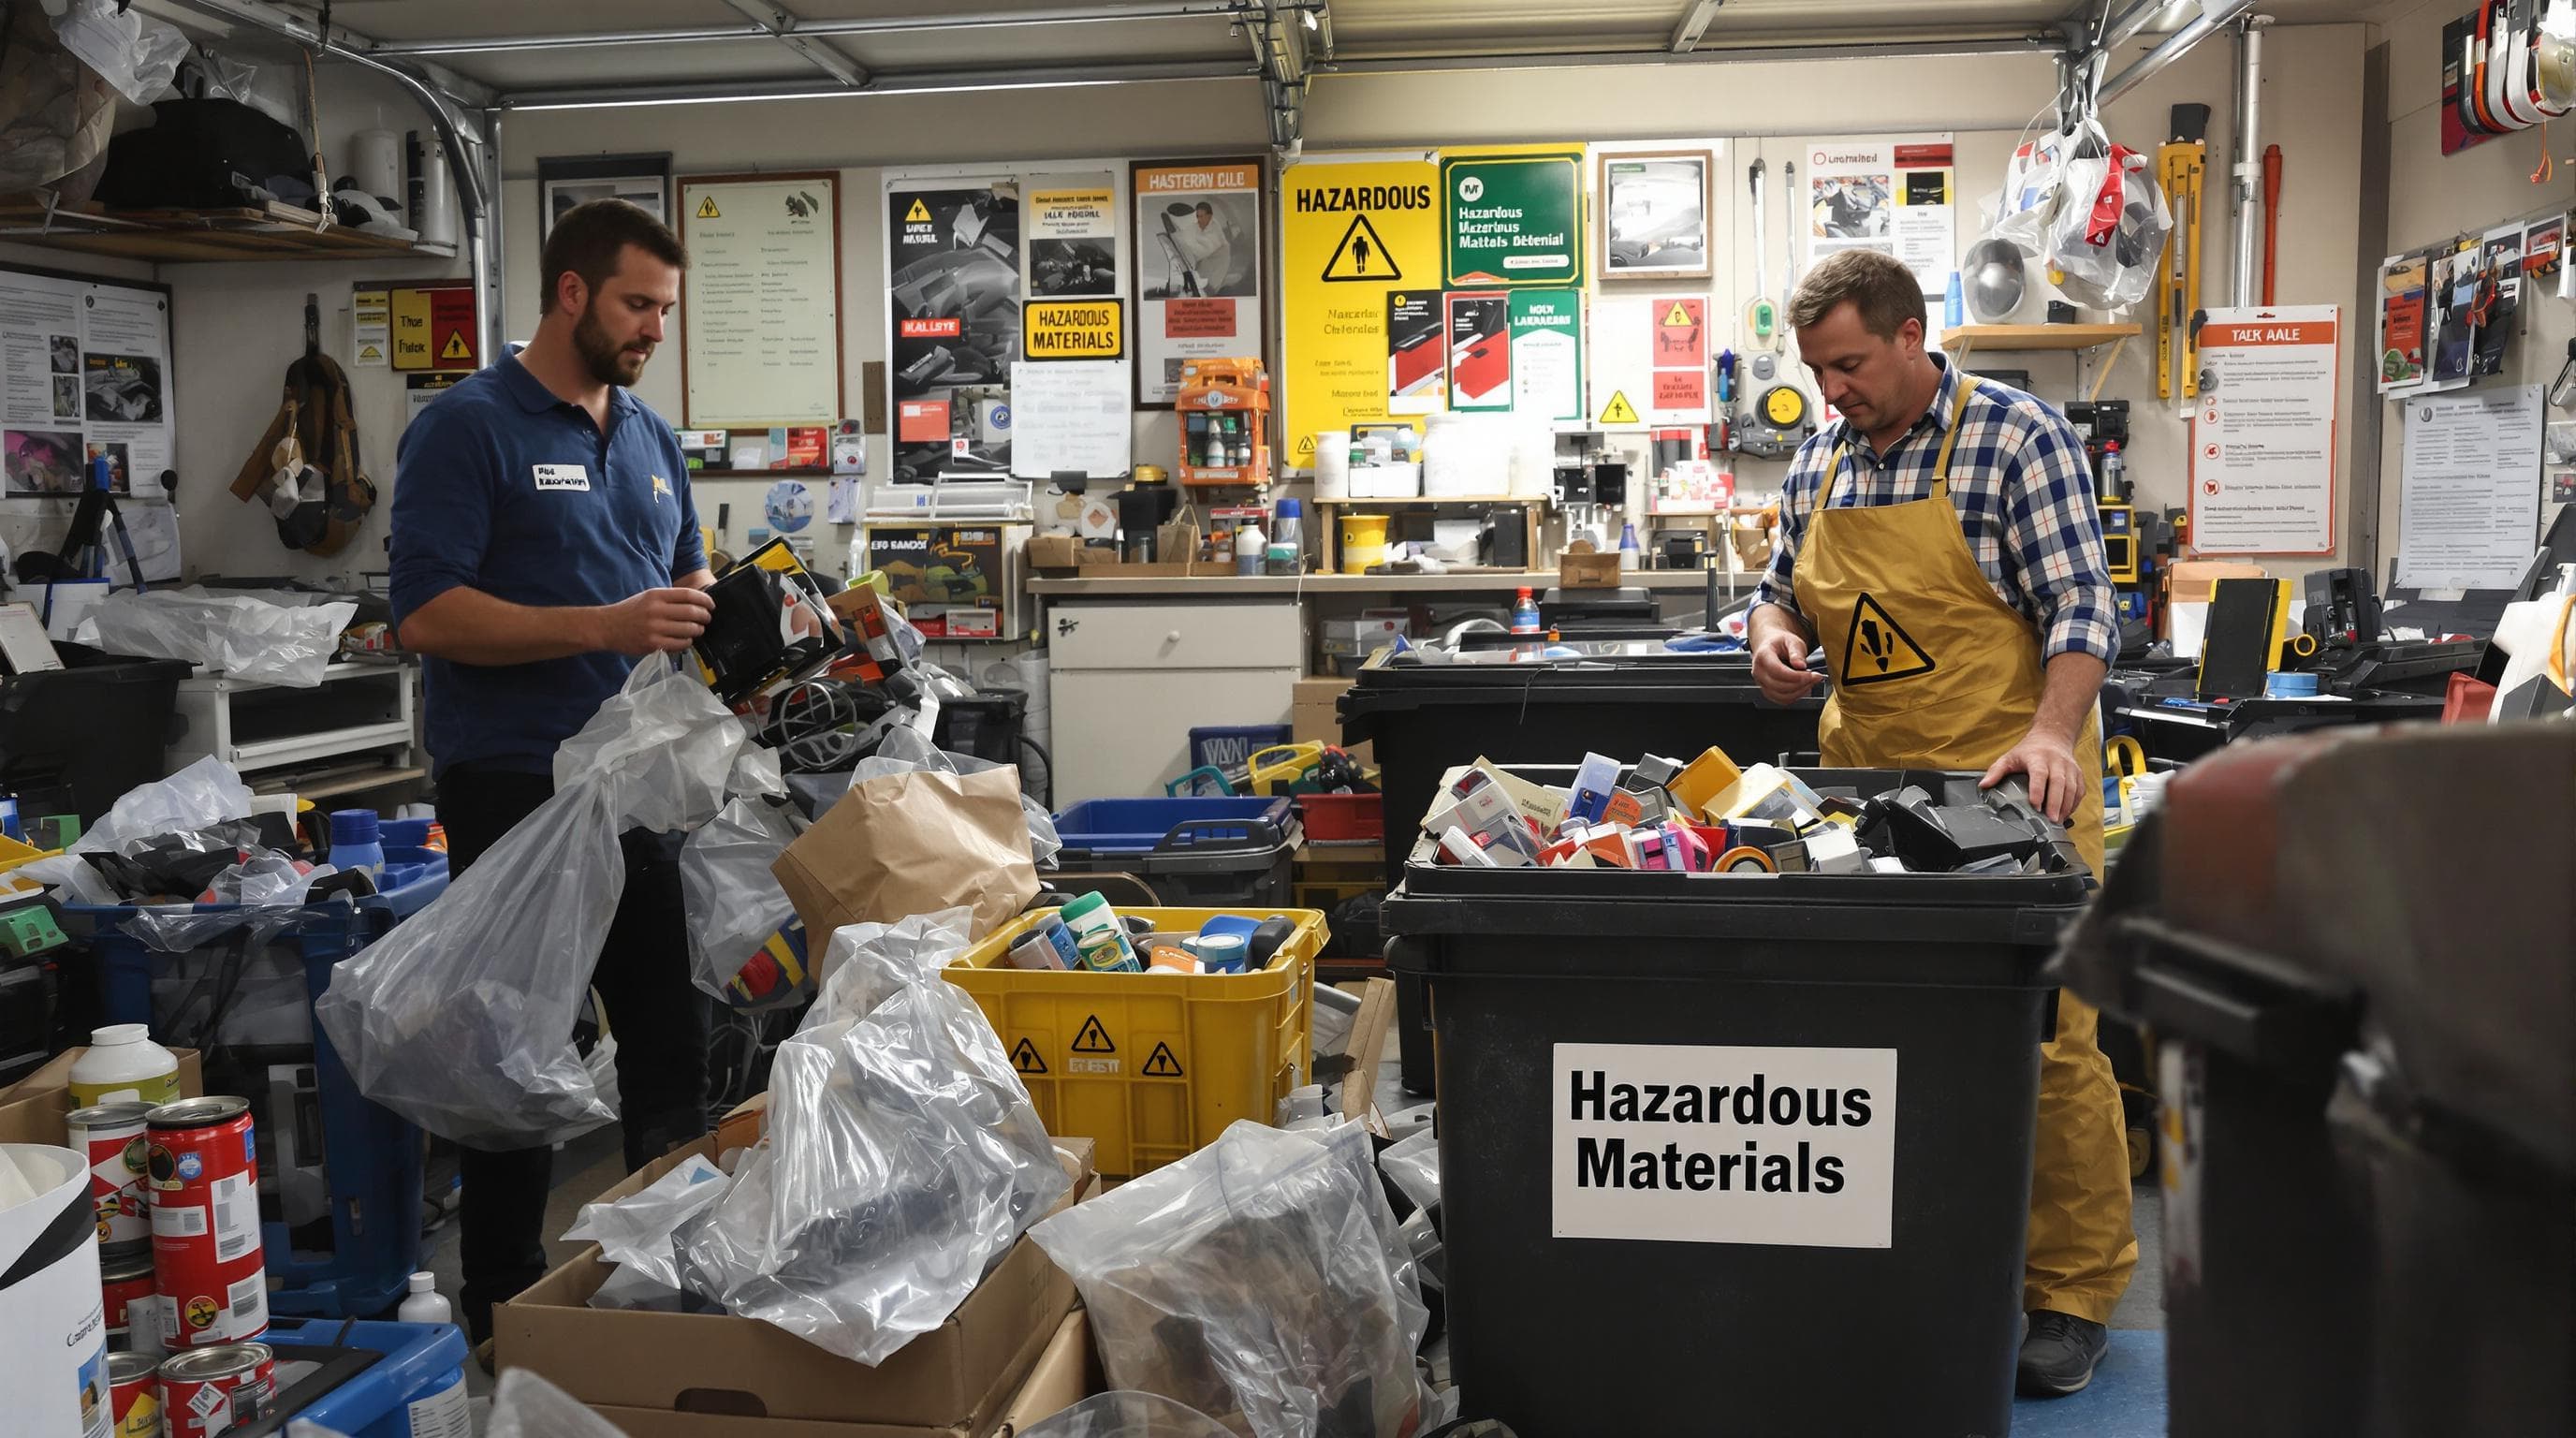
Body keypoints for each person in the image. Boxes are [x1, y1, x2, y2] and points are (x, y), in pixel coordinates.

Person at [1747, 248, 2136, 1398]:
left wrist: (2057, 732)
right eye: (1819, 370)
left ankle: (2066, 1293)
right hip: (1862, 796)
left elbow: (2080, 603)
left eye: (1852, 364)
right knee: (1870, 1037)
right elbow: (1780, 583)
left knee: (2050, 1042)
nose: (1833, 392)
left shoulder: (2016, 438)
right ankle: (1904, 1258)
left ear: (1914, 336)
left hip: (2010, 791)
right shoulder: (1820, 457)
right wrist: (1769, 635)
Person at [388, 198, 717, 1346]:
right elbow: (426, 613)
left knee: (669, 1046)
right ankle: (501, 1313)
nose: (653, 329)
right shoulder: (467, 426)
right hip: (515, 785)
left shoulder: (650, 436)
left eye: (665, 310)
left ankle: (674, 1289)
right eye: (637, 304)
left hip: (635, 786)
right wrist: (607, 626)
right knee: (516, 1055)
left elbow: (678, 602)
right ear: (570, 292)